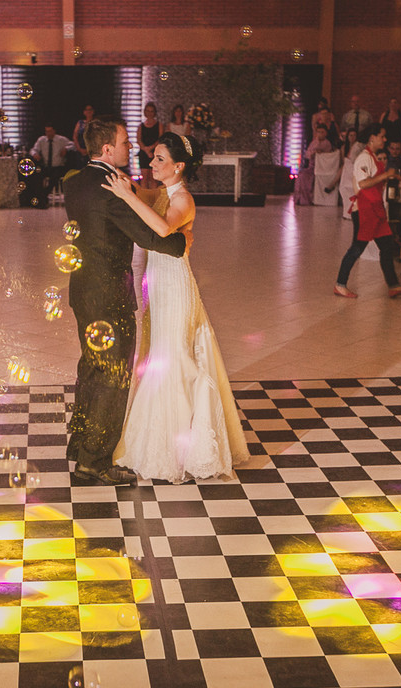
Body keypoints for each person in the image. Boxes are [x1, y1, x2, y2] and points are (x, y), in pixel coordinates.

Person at [99, 131, 248, 482]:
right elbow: (141, 194)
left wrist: (127, 195)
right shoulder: (163, 192)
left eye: (160, 158)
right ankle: (158, 438)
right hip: (156, 285)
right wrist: (118, 178)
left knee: (175, 357)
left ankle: (184, 448)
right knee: (156, 358)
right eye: (153, 157)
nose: (152, 163)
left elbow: (164, 228)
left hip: (176, 286)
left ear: (179, 166)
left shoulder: (184, 199)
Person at [62, 119, 189, 486]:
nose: (131, 148)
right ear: (106, 150)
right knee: (113, 375)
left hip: (83, 290)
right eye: (124, 142)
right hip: (108, 295)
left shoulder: (75, 181)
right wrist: (182, 244)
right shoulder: (108, 189)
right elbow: (148, 235)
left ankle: (81, 446)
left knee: (91, 368)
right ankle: (95, 462)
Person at [333, 124, 401, 299]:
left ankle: (393, 285)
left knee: (386, 246)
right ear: (372, 137)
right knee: (357, 247)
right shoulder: (364, 158)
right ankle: (340, 284)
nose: (384, 140)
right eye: (382, 136)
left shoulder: (371, 157)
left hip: (374, 208)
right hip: (365, 209)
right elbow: (363, 184)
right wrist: (386, 175)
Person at [293, 124, 333, 206]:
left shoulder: (327, 143)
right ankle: (300, 199)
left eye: (322, 132)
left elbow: (327, 157)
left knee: (304, 177)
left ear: (326, 133)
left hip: (321, 167)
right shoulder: (314, 142)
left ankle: (306, 199)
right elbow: (307, 154)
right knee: (301, 175)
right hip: (311, 167)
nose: (320, 134)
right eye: (318, 132)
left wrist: (320, 153)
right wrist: (313, 153)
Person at [30, 123, 71, 194]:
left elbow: (73, 145)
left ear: (54, 131)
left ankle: (44, 194)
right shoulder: (41, 140)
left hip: (58, 167)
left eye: (50, 131)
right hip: (45, 166)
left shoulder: (61, 139)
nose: (48, 133)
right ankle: (39, 195)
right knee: (37, 176)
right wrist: (35, 154)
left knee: (54, 177)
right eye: (46, 131)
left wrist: (66, 149)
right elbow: (33, 149)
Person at [137, 104, 163, 189]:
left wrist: (151, 149)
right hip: (144, 153)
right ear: (145, 112)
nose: (149, 113)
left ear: (154, 112)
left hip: (155, 153)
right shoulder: (141, 126)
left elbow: (160, 139)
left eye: (151, 111)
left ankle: (153, 199)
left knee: (153, 178)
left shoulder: (159, 125)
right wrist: (146, 150)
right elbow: (139, 140)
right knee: (144, 177)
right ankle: (144, 199)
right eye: (148, 111)